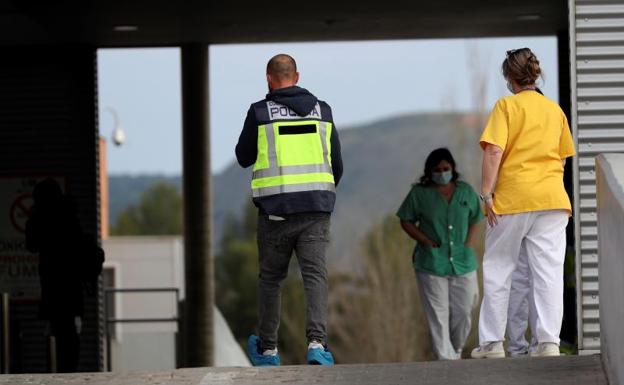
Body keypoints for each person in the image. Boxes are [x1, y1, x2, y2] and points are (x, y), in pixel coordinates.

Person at [235, 54, 343, 366]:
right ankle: (317, 345)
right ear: (296, 76)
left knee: (271, 279)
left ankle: (268, 350)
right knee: (315, 277)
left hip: (276, 211)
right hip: (315, 210)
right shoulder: (323, 111)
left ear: (269, 78)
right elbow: (337, 163)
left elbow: (243, 157)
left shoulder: (260, 113)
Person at [471, 48, 576, 359]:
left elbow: (493, 152)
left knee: (499, 267)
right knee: (548, 273)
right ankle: (548, 343)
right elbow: (562, 158)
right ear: (535, 75)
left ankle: (492, 344)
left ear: (509, 78)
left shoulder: (506, 107)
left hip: (514, 198)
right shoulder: (554, 111)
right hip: (552, 200)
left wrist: (487, 193)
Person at [397, 148, 483, 360]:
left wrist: (468, 244)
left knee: (464, 311)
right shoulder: (419, 193)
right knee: (438, 314)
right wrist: (424, 240)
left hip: (463, 263)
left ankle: (455, 350)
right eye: (437, 169)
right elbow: (405, 219)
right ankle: (445, 358)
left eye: (446, 168)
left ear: (453, 169)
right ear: (429, 171)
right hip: (431, 264)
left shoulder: (465, 191)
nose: (442, 172)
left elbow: (476, 217)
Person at [25, 179, 83, 372]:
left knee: (58, 327)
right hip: (71, 282)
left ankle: (60, 367)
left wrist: (32, 218)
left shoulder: (42, 218)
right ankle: (70, 367)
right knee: (69, 330)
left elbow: (32, 245)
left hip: (52, 281)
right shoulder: (69, 215)